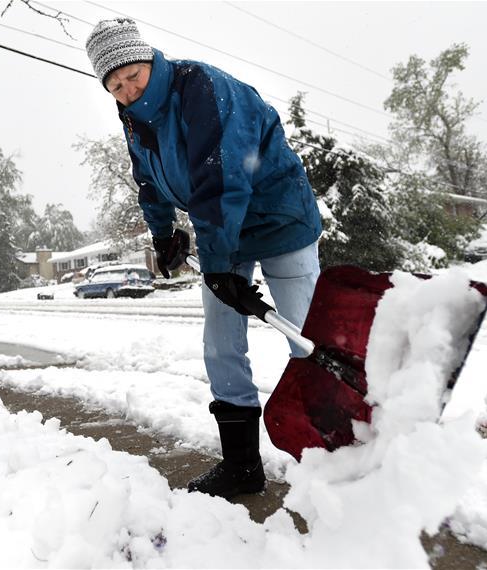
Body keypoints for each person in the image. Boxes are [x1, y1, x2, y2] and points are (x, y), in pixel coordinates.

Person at [86, 18, 322, 499]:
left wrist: (215, 266)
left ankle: (341, 454)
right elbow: (150, 184)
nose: (128, 89)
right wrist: (164, 234)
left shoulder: (204, 89)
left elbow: (223, 180)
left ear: (149, 59)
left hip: (279, 221)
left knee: (307, 336)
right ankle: (241, 467)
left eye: (133, 75)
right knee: (220, 346)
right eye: (115, 84)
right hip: (224, 232)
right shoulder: (134, 120)